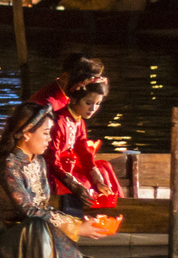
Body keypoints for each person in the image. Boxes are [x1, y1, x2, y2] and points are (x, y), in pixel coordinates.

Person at [0, 102, 109, 258]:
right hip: (1, 243)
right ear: (27, 133)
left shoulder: (39, 162)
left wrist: (78, 223)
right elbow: (29, 210)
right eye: (46, 133)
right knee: (36, 226)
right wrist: (75, 226)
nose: (50, 138)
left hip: (36, 238)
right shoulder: (9, 165)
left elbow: (43, 209)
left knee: (51, 230)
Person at [46, 79, 122, 215]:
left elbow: (84, 154)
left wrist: (98, 181)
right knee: (89, 185)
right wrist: (75, 186)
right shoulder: (58, 122)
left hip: (68, 166)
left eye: (97, 104)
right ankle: (96, 213)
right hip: (54, 171)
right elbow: (52, 162)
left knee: (104, 169)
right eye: (88, 103)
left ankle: (115, 208)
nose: (93, 109)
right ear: (74, 100)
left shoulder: (79, 122)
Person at [28, 53, 105, 112]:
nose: (85, 90)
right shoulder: (46, 105)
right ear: (65, 77)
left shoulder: (67, 95)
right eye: (82, 85)